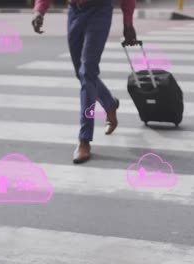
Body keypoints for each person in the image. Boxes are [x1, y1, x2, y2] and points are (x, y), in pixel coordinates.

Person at [31, 0, 138, 164]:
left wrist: (128, 22)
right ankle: (109, 103)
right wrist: (39, 10)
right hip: (74, 11)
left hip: (99, 11)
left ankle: (84, 139)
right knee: (81, 73)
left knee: (87, 71)